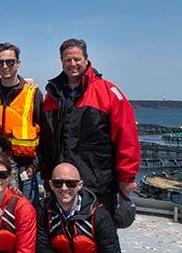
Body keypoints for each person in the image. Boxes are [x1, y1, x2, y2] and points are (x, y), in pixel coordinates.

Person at [40, 38, 140, 215]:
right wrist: (47, 174)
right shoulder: (52, 95)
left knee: (99, 236)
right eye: (67, 60)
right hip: (60, 184)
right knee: (61, 236)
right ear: (61, 62)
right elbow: (46, 140)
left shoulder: (108, 92)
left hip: (97, 185)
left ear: (86, 59)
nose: (72, 64)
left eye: (77, 59)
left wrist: (127, 177)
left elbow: (127, 137)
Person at [0, 42, 43, 203]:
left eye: (10, 61)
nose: (5, 66)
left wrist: (34, 167)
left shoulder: (33, 93)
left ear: (18, 63)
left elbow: (44, 135)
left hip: (25, 169)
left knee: (25, 217)